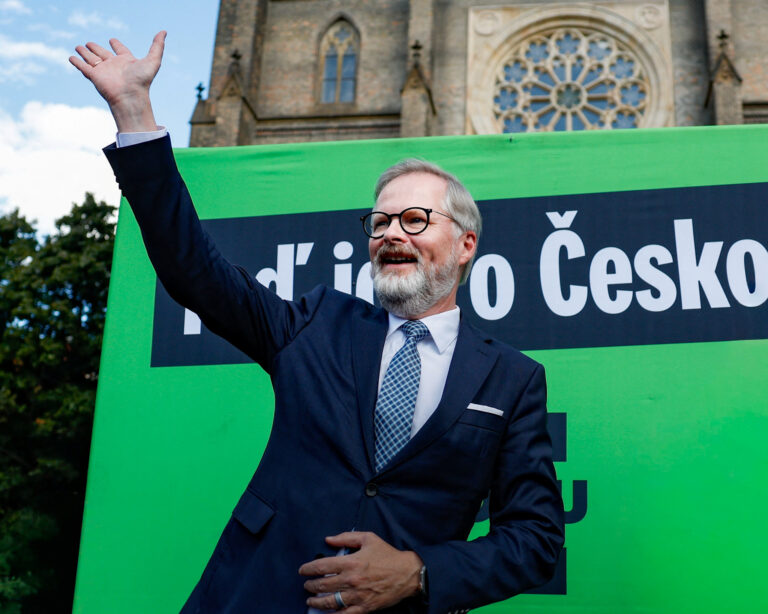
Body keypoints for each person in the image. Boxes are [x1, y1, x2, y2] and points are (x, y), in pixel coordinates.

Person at [71, 32, 564, 614]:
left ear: (464, 244)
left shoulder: (511, 379)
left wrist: (417, 572)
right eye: (378, 224)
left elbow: (535, 542)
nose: (390, 235)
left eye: (413, 219)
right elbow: (193, 271)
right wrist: (135, 112)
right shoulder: (317, 323)